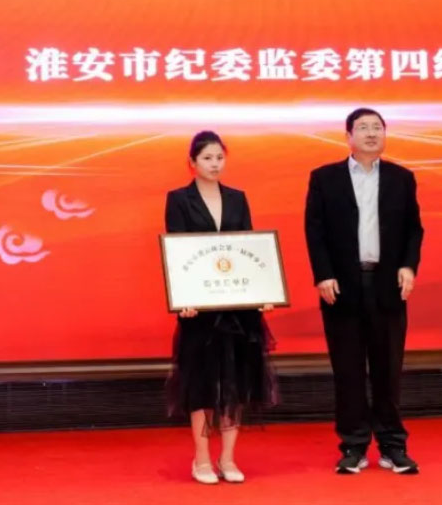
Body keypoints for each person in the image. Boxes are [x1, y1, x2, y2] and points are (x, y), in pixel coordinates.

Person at [304, 107, 423, 475]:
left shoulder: (402, 178)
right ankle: (353, 446)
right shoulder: (325, 178)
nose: (371, 133)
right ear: (348, 137)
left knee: (388, 369)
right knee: (348, 370)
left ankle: (392, 445)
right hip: (342, 287)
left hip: (387, 285)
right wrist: (323, 275)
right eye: (363, 128)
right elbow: (315, 231)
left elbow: (414, 229)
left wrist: (408, 266)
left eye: (377, 127)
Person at [164, 130, 277, 485]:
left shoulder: (238, 198)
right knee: (200, 384)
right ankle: (201, 459)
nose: (214, 164)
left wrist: (263, 291)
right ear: (192, 163)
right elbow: (178, 251)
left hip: (238, 308)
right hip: (199, 309)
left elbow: (248, 248)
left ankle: (228, 458)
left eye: (219, 158)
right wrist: (184, 299)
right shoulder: (178, 199)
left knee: (235, 383)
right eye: (207, 158)